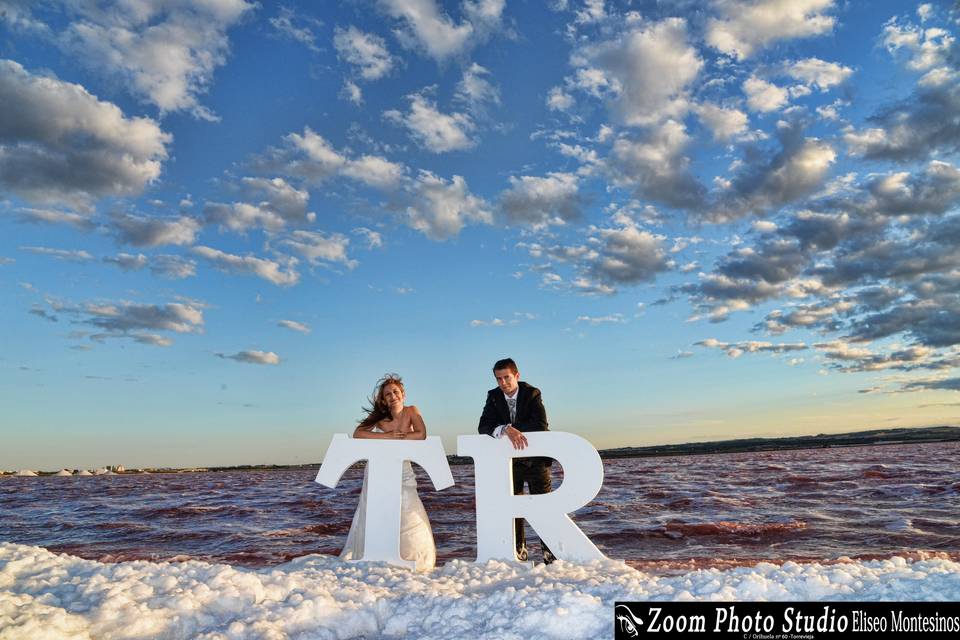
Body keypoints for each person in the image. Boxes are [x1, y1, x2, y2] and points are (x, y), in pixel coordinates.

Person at [340, 374, 436, 571]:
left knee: (408, 507)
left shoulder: (411, 411)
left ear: (403, 393)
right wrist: (386, 436)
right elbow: (358, 434)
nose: (393, 396)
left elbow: (421, 434)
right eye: (388, 394)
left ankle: (411, 557)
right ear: (383, 399)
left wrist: (401, 437)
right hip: (379, 469)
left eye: (396, 392)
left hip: (403, 468)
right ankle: (374, 553)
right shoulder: (379, 416)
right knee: (377, 507)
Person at [478, 358, 555, 564]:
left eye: (507, 377)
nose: (503, 383)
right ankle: (519, 554)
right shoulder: (493, 396)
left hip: (536, 462)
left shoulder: (532, 393)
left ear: (517, 375)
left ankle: (551, 556)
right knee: (513, 511)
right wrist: (506, 429)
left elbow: (540, 425)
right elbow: (483, 426)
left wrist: (512, 427)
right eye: (499, 379)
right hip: (510, 463)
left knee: (543, 509)